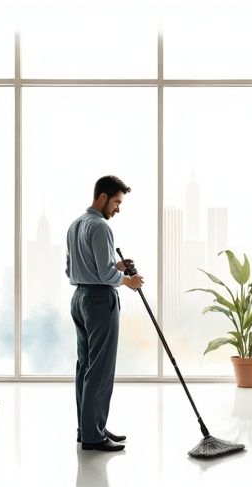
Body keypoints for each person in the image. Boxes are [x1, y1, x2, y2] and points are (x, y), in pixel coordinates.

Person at [66, 175, 144, 452]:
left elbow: (72, 268)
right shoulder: (100, 227)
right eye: (116, 202)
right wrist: (128, 281)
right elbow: (104, 274)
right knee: (100, 369)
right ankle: (94, 436)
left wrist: (116, 265)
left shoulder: (76, 225)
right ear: (102, 197)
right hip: (99, 301)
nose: (117, 209)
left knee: (86, 366)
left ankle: (88, 428)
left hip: (80, 299)